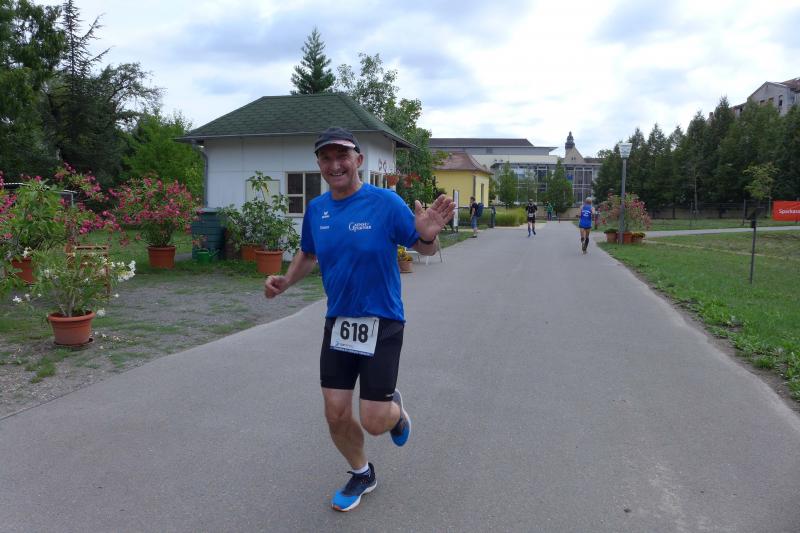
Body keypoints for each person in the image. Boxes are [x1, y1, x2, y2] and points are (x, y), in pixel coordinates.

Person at [264, 126, 455, 512]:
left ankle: (394, 414)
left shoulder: (385, 203)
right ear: (319, 164)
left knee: (374, 421)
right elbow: (308, 253)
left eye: (342, 156)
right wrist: (286, 280)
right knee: (335, 413)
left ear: (359, 160)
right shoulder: (317, 210)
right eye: (326, 158)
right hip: (339, 322)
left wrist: (428, 236)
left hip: (382, 320)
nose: (334, 165)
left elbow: (423, 246)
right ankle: (362, 472)